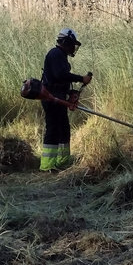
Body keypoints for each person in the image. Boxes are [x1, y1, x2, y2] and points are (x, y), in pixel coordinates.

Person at [40, 28, 92, 172]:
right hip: (51, 98)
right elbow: (60, 75)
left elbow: (59, 80)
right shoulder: (56, 54)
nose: (73, 48)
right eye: (71, 44)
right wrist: (81, 78)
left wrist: (70, 92)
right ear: (65, 42)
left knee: (63, 128)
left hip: (58, 97)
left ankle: (62, 162)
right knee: (53, 129)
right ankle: (47, 166)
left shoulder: (61, 56)